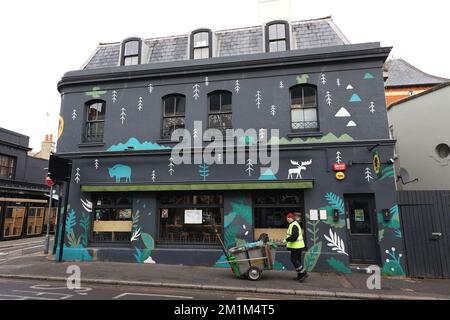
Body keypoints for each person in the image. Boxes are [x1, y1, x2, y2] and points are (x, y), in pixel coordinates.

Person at [284, 212, 307, 282]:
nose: (287, 220)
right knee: (298, 261)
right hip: (297, 246)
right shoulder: (293, 224)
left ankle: (303, 273)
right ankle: (300, 275)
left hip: (296, 246)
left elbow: (295, 236)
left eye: (288, 218)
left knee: (294, 260)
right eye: (287, 218)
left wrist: (286, 240)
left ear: (291, 218)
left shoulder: (294, 225)